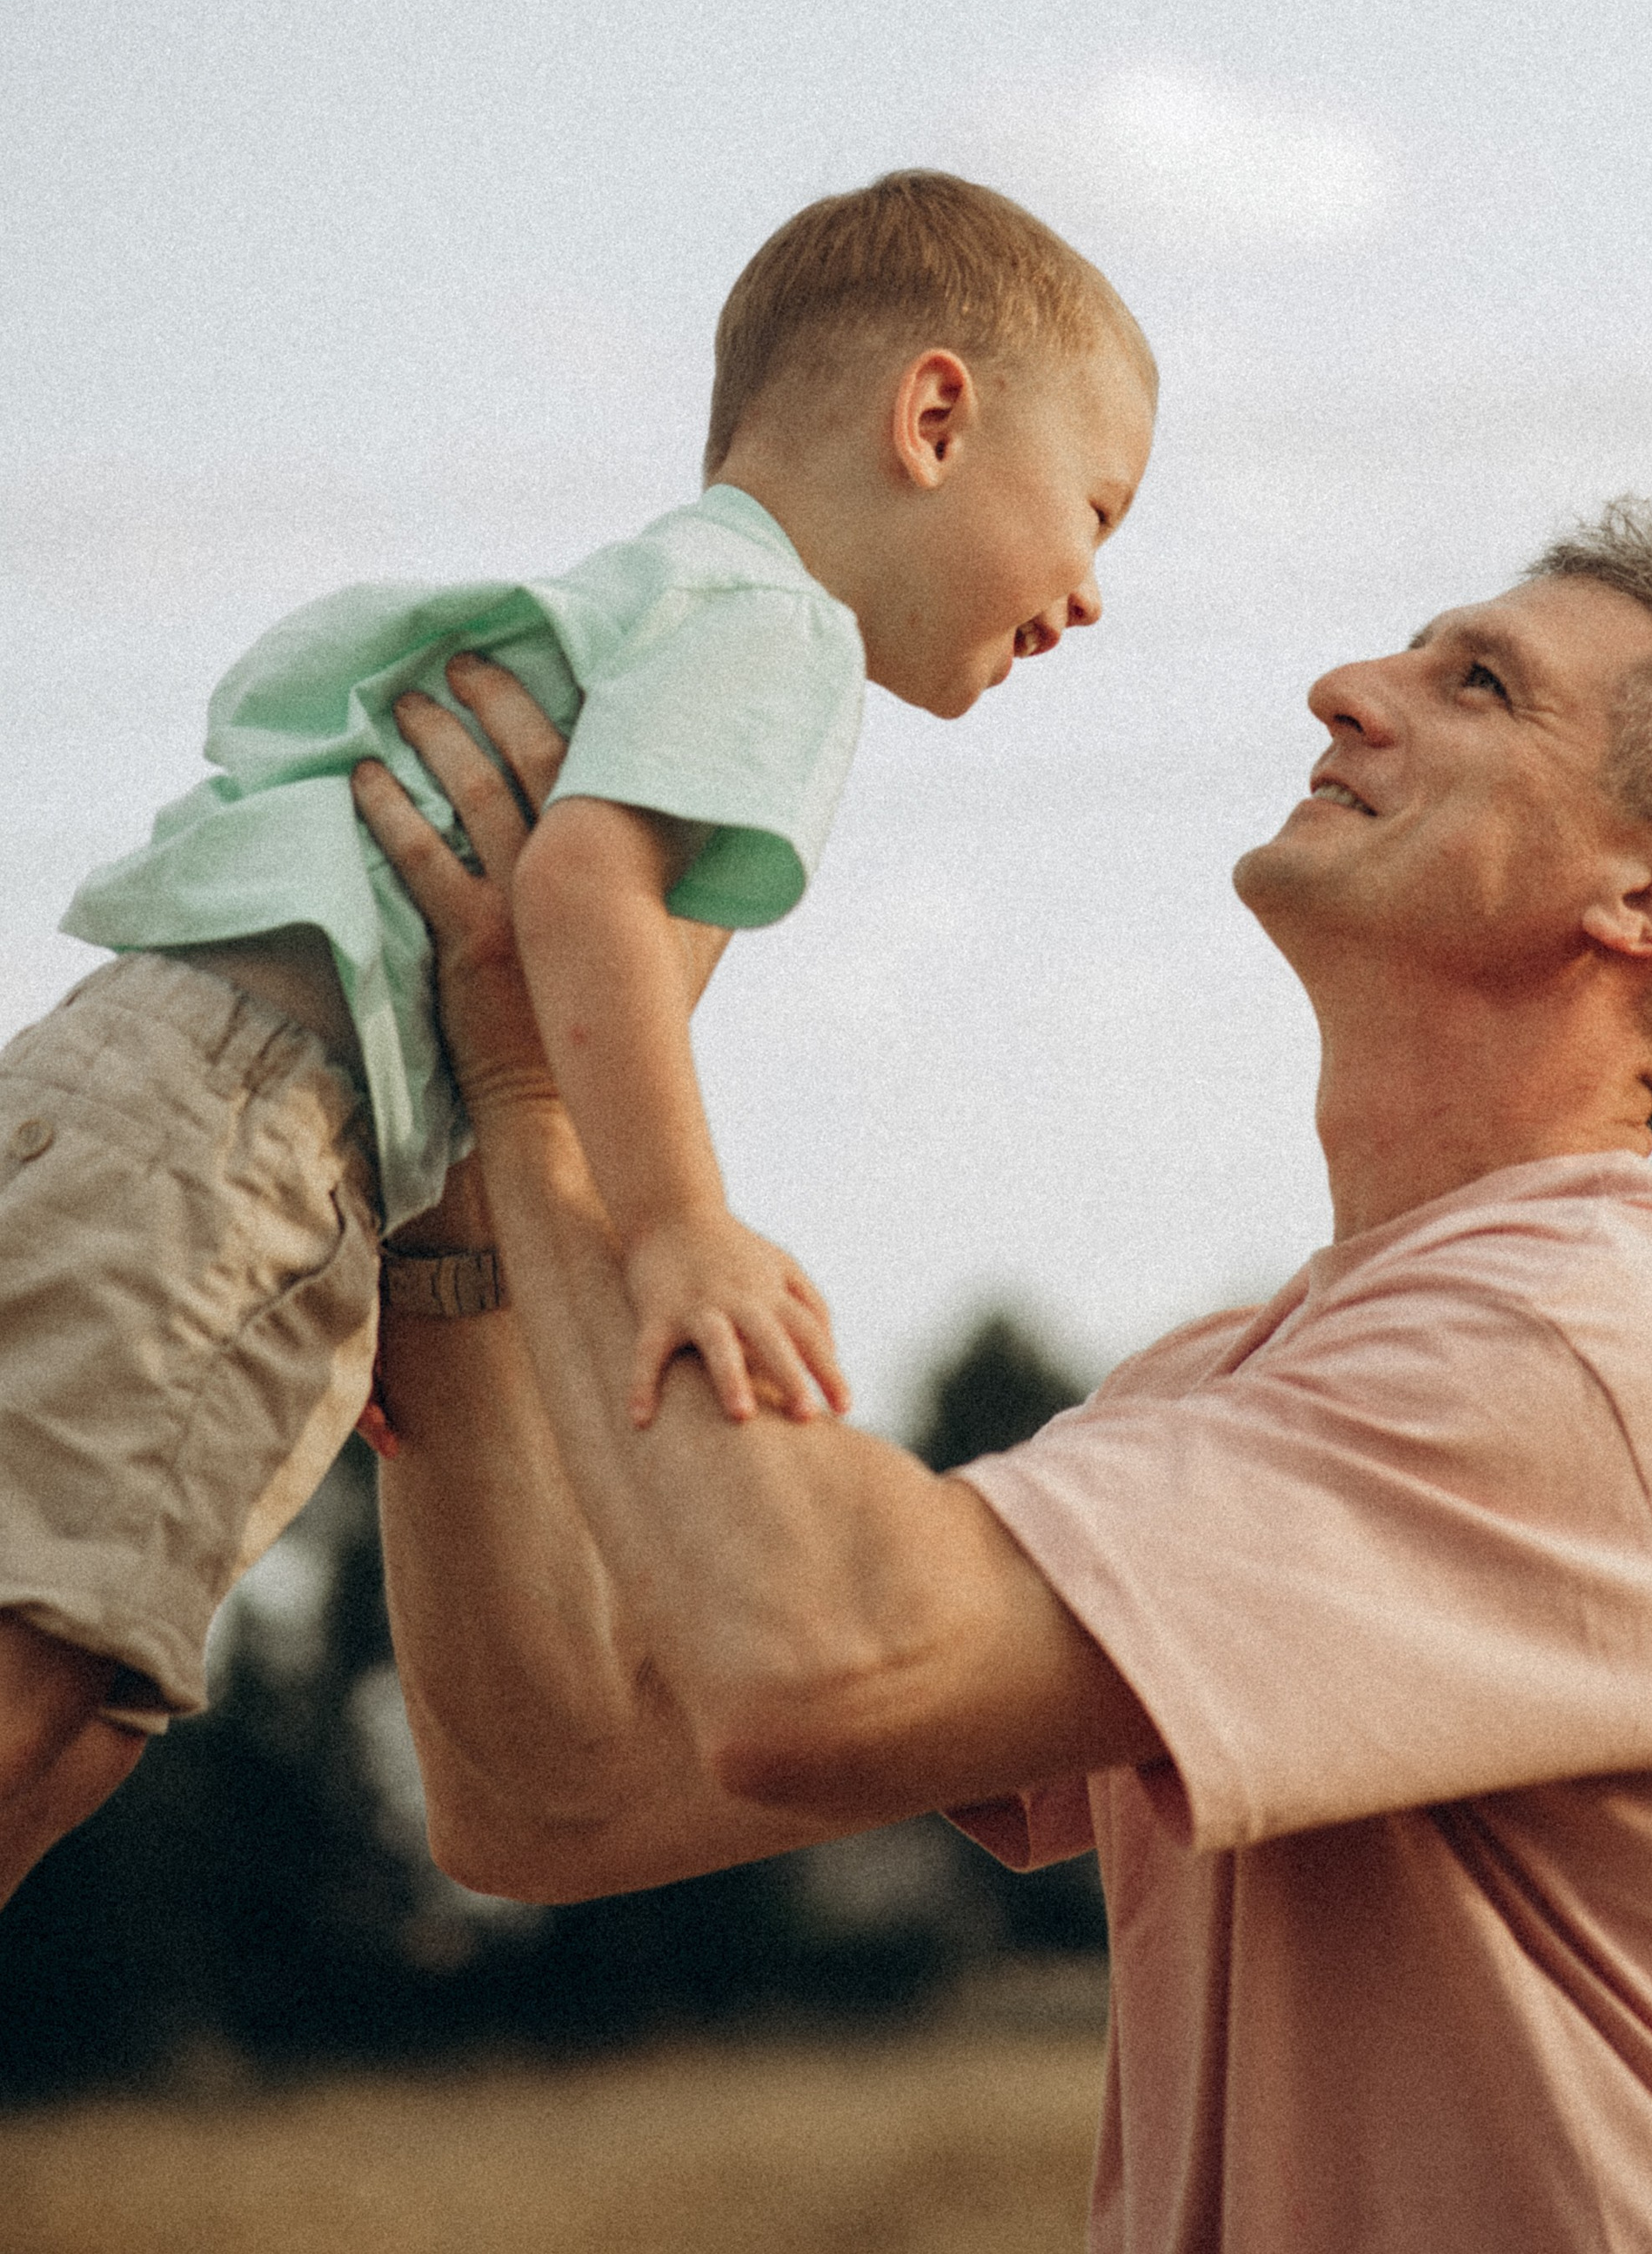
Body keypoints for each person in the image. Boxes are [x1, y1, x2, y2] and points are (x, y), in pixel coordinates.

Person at [367, 499, 1652, 2254]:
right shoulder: (1240, 1379)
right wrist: (453, 1205)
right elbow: (552, 1790)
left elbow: (818, 1657)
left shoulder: (1600, 1338)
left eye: (1475, 681)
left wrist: (551, 1056)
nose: (1341, 686)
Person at [0, 171, 1156, 1903]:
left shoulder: (679, 599)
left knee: (91, 1698)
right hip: (243, 1120)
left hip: (205, 1099)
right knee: (41, 1659)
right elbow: (580, 903)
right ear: (933, 417)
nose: (1087, 596)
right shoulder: (781, 630)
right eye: (1095, 510)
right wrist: (677, 1223)